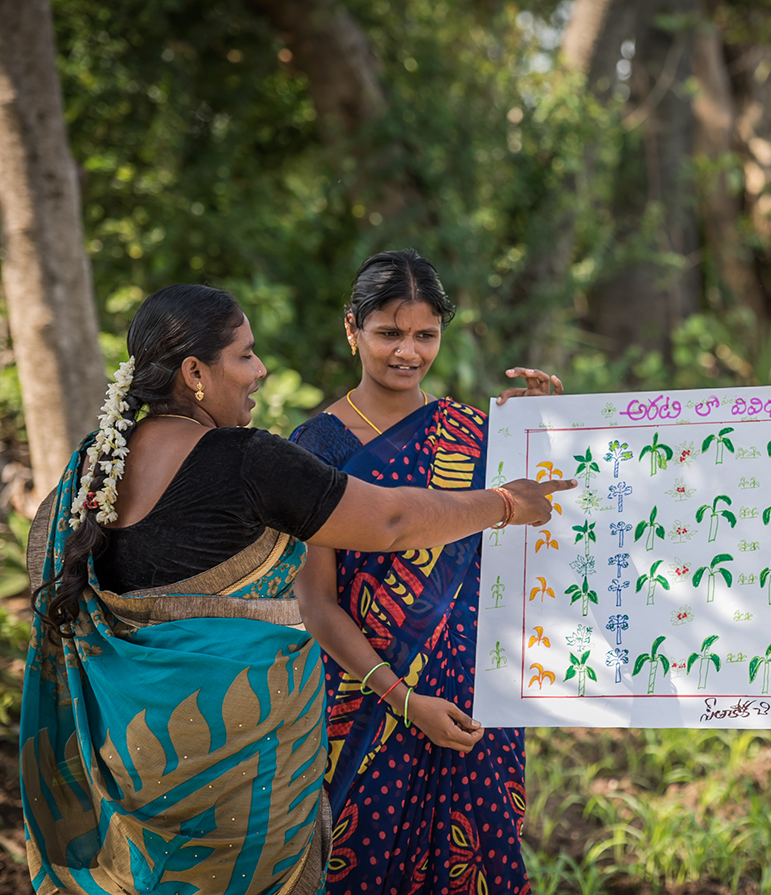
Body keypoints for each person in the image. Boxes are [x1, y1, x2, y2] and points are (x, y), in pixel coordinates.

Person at [20, 284, 572, 895]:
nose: (260, 371)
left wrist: (519, 431)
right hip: (235, 772)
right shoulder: (247, 460)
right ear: (195, 372)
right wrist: (500, 503)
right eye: (245, 355)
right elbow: (390, 522)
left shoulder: (95, 470)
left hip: (133, 761)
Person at [290, 250, 550, 894]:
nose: (407, 352)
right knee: (364, 864)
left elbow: (532, 539)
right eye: (388, 333)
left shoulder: (471, 433)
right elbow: (317, 604)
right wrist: (403, 700)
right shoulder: (316, 448)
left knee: (476, 860)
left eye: (425, 335)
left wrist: (539, 434)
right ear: (351, 329)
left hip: (473, 693)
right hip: (365, 696)